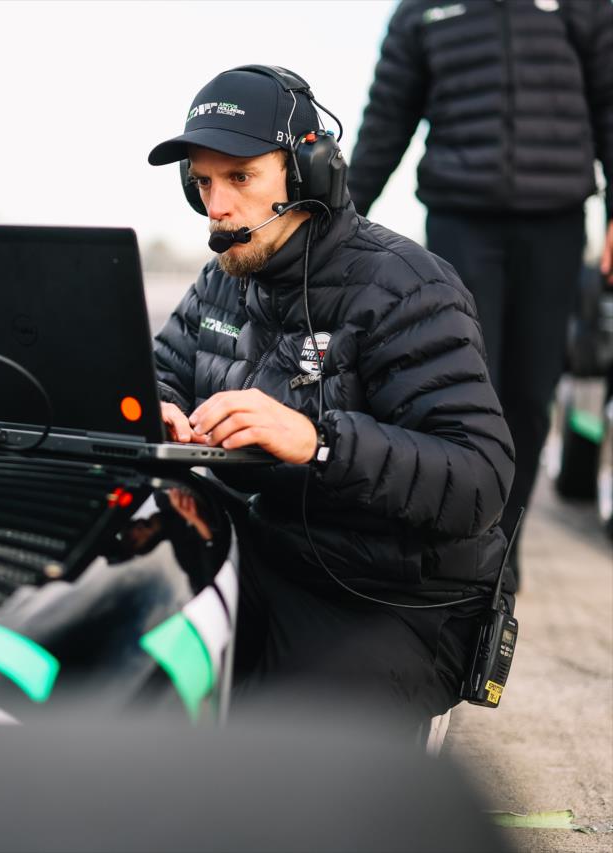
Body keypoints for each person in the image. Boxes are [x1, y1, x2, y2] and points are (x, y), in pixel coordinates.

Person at [146, 65, 516, 727]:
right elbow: (161, 371)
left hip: (392, 594)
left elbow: (480, 479)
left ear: (308, 174)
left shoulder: (407, 286)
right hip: (267, 550)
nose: (216, 205)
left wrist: (320, 443)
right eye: (202, 182)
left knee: (279, 764)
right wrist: (158, 407)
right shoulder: (224, 277)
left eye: (240, 177)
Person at [348, 0, 613, 582]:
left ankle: (504, 543)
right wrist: (336, 220)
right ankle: (465, 544)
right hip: (460, 222)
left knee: (531, 392)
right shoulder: (421, 11)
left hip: (555, 221)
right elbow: (386, 119)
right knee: (462, 385)